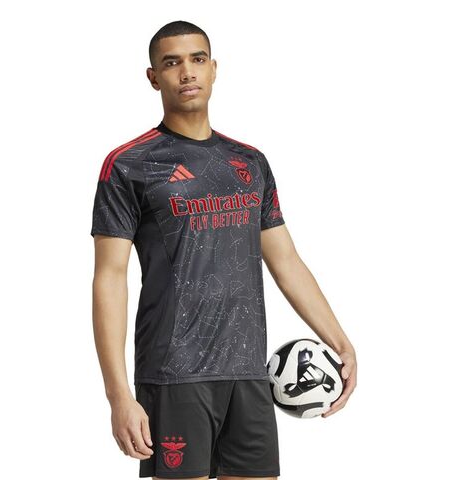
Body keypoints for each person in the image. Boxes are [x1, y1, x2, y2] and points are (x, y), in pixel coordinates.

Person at [90, 20, 357, 480]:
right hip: (175, 373)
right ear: (153, 77)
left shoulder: (250, 162)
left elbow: (286, 261)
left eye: (197, 59)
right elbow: (109, 278)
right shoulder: (129, 164)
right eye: (171, 63)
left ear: (214, 69)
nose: (187, 72)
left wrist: (339, 340)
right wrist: (118, 395)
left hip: (249, 371)